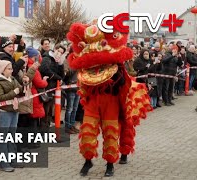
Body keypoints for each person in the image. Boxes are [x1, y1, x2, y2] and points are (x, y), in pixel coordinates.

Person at [66, 22, 152, 177]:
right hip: (93, 102)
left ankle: (110, 163)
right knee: (86, 132)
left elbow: (122, 84)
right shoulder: (86, 67)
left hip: (111, 102)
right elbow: (82, 83)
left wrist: (114, 73)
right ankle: (87, 160)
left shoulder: (117, 67)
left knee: (110, 133)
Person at [0, 60, 29, 172]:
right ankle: (4, 162)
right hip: (4, 112)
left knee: (12, 136)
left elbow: (21, 90)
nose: (11, 70)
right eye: (9, 69)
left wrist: (25, 84)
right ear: (2, 70)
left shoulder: (13, 79)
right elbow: (0, 97)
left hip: (14, 110)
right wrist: (14, 92)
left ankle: (12, 159)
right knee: (3, 138)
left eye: (11, 68)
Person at [39, 44, 65, 129]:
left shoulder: (56, 61)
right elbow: (45, 69)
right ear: (55, 49)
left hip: (53, 88)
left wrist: (61, 64)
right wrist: (58, 77)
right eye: (58, 51)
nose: (59, 54)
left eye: (61, 53)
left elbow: (61, 76)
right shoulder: (47, 58)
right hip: (46, 87)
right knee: (45, 110)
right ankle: (43, 129)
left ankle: (47, 127)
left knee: (50, 110)